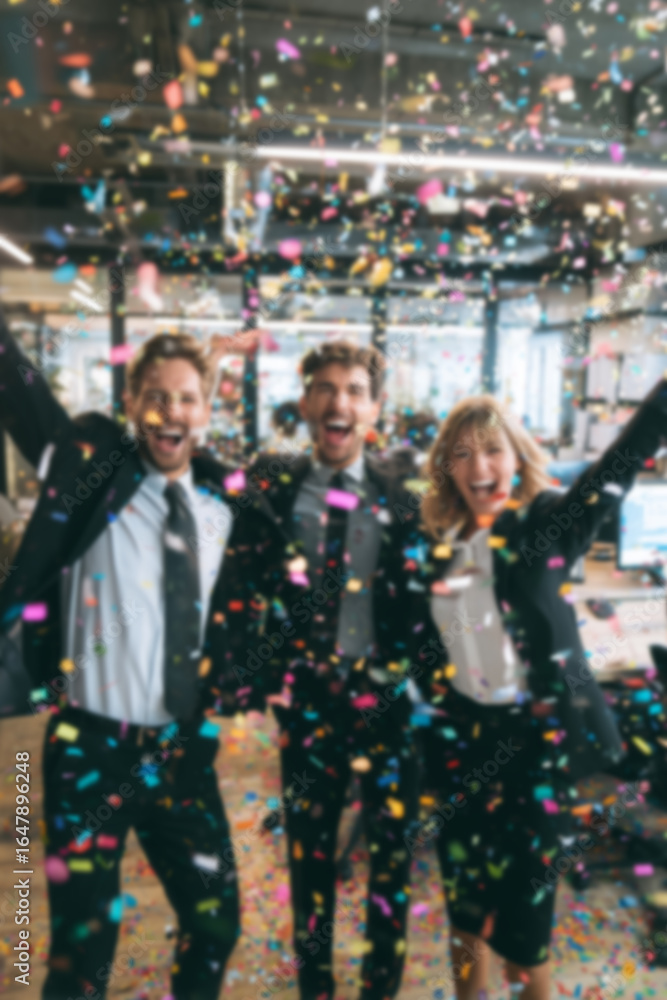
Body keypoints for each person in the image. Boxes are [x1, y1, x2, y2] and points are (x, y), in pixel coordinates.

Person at [0, 313, 271, 1000]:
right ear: (131, 406)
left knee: (215, 923)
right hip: (91, 748)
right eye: (154, 395)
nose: (169, 411)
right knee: (82, 950)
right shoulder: (93, 478)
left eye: (186, 398)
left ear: (207, 412)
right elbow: (16, 384)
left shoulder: (223, 504)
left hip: (181, 752)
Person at [406, 382, 667, 1000]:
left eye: (493, 450)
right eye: (464, 454)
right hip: (460, 747)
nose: (481, 467)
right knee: (465, 908)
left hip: (534, 753)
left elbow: (620, 466)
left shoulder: (547, 526)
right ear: (448, 470)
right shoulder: (437, 550)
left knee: (526, 928)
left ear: (516, 457)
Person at [246, 340, 421, 1000]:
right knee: (309, 861)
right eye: (324, 386)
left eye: (353, 389)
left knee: (391, 863)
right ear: (305, 403)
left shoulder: (403, 494)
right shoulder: (272, 483)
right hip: (308, 705)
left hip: (388, 707)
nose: (337, 400)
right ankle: (314, 988)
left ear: (373, 408)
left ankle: (380, 989)